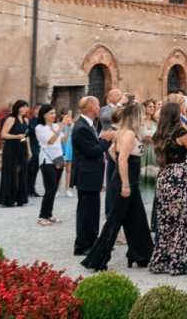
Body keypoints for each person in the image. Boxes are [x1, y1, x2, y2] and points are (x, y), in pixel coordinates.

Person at [82, 102, 154, 271]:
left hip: (129, 181)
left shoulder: (126, 133)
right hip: (125, 183)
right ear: (135, 117)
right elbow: (121, 159)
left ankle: (142, 255)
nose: (144, 117)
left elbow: (112, 150)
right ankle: (97, 259)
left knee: (137, 219)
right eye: (142, 114)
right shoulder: (128, 134)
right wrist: (126, 183)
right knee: (115, 221)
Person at [149, 101, 187, 275]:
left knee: (166, 220)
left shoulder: (159, 133)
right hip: (178, 177)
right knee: (184, 218)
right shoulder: (180, 132)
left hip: (164, 177)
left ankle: (162, 260)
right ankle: (179, 259)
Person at [72, 96, 116, 255]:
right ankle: (83, 245)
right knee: (86, 212)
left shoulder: (88, 125)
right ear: (90, 107)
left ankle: (91, 241)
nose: (100, 108)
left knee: (92, 211)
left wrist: (101, 139)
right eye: (98, 105)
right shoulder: (81, 127)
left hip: (92, 175)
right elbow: (92, 151)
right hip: (86, 175)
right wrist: (105, 140)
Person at [35, 104, 71, 225]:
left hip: (58, 159)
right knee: (50, 189)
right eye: (51, 113)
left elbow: (62, 140)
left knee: (53, 189)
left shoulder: (55, 126)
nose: (54, 115)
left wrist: (68, 128)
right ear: (44, 114)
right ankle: (42, 217)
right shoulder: (40, 127)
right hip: (47, 161)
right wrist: (61, 126)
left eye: (54, 113)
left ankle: (49, 215)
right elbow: (50, 141)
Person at [0, 100, 31, 207]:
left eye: (26, 107)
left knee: (22, 172)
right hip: (11, 148)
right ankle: (8, 198)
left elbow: (27, 136)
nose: (25, 109)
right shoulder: (11, 119)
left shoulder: (26, 120)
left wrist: (29, 150)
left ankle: (20, 198)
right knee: (12, 172)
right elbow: (3, 134)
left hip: (22, 148)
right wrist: (16, 136)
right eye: (23, 107)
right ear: (18, 108)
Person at [139, 100, 158, 204]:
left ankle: (152, 197)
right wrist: (143, 138)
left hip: (154, 150)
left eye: (153, 107)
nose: (152, 108)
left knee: (153, 173)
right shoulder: (140, 122)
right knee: (142, 173)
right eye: (150, 106)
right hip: (142, 150)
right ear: (144, 107)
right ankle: (141, 197)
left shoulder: (156, 122)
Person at [59, 108, 75, 198]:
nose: (69, 117)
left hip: (70, 147)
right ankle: (57, 190)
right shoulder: (59, 125)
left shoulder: (72, 125)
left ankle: (67, 189)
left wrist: (70, 125)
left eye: (70, 115)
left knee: (69, 170)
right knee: (60, 169)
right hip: (62, 146)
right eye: (67, 115)